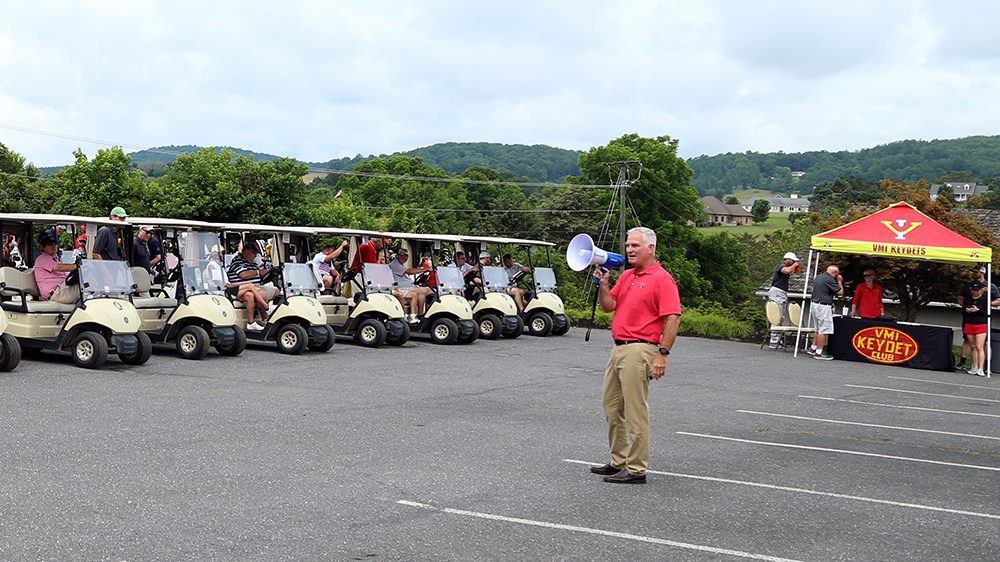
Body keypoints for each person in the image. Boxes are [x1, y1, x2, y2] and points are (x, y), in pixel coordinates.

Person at [591, 226, 682, 485]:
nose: (629, 250)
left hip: (641, 348)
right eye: (628, 245)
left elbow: (673, 317)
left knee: (634, 411)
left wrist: (662, 354)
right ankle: (618, 460)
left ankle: (636, 468)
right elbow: (609, 306)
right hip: (619, 347)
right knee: (611, 406)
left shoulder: (662, 278)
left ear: (650, 249)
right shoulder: (628, 275)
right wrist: (604, 285)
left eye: (635, 246)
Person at [956, 265, 999, 371]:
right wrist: (966, 306)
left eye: (976, 272)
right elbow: (961, 298)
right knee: (967, 340)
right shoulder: (968, 286)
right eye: (973, 272)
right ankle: (963, 363)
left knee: (985, 342)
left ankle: (986, 366)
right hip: (968, 317)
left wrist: (985, 305)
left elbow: (998, 300)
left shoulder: (990, 286)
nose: (974, 273)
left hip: (983, 318)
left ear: (982, 273)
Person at [226, 244, 272, 331]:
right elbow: (243, 275)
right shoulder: (237, 261)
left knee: (251, 295)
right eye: (254, 253)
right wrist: (258, 272)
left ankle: (255, 322)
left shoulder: (252, 263)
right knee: (257, 292)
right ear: (247, 251)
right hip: (236, 289)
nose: (255, 256)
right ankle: (267, 309)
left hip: (246, 289)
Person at [807, 265, 844, 360]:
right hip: (823, 306)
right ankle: (819, 352)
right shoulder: (829, 279)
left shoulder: (818, 277)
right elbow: (840, 292)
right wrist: (839, 282)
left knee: (818, 328)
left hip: (815, 304)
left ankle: (813, 348)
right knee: (824, 329)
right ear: (835, 273)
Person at [388, 247, 432, 323]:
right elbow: (409, 271)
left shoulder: (401, 265)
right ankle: (419, 315)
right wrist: (426, 269)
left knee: (428, 290)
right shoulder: (395, 264)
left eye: (406, 256)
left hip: (409, 286)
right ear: (397, 256)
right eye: (402, 255)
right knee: (423, 290)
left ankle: (422, 314)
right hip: (401, 288)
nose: (404, 257)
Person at [33, 233, 80, 304]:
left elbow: (66, 274)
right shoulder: (42, 259)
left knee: (85, 285)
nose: (53, 246)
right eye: (50, 245)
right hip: (55, 295)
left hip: (62, 291)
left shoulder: (54, 260)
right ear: (43, 247)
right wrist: (80, 266)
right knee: (84, 287)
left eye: (55, 244)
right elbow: (59, 267)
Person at [767, 252, 799, 349]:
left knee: (781, 317)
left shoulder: (786, 265)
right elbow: (787, 271)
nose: (794, 262)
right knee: (776, 317)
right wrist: (795, 264)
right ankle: (774, 341)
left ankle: (777, 340)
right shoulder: (781, 265)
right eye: (792, 260)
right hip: (777, 292)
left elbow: (793, 271)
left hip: (781, 293)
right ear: (788, 259)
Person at [961, 281, 990, 377]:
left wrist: (978, 310)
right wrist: (967, 310)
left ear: (981, 290)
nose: (974, 292)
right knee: (973, 347)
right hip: (969, 323)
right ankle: (974, 367)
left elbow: (987, 312)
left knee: (979, 346)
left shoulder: (985, 298)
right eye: (973, 290)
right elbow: (963, 309)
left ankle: (981, 368)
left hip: (981, 324)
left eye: (976, 290)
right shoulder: (968, 298)